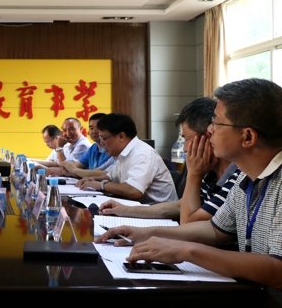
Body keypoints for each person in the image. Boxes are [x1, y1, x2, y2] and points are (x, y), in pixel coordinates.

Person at [97, 79, 282, 301]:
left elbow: (278, 271)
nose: (210, 130)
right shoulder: (246, 176)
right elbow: (214, 230)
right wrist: (144, 233)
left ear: (248, 137)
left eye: (217, 123)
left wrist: (185, 251)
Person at [99, 98, 239, 222]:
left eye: (187, 139)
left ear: (209, 136)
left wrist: (194, 174)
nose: (185, 148)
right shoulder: (209, 173)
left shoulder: (236, 179)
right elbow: (180, 206)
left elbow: (189, 223)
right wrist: (125, 210)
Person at [77, 113, 177, 204]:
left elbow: (134, 191)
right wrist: (93, 179)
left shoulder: (142, 153)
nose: (102, 143)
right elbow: (111, 177)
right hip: (140, 208)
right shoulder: (123, 153)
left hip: (159, 213)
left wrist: (101, 185)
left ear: (121, 136)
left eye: (104, 138)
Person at [60, 113, 116, 177]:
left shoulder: (113, 150)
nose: (94, 131)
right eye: (91, 128)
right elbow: (71, 168)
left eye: (98, 128)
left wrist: (59, 148)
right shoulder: (93, 148)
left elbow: (107, 175)